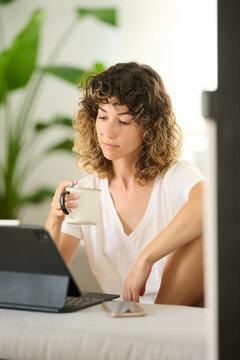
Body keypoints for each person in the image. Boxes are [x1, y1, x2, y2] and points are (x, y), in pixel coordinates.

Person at [45, 62, 206, 306]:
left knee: (208, 231)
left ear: (149, 127)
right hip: (124, 317)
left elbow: (212, 202)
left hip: (172, 309)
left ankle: (157, 324)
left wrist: (146, 258)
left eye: (123, 121)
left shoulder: (173, 177)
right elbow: (49, 280)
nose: (108, 132)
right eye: (102, 117)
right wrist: (55, 219)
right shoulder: (87, 192)